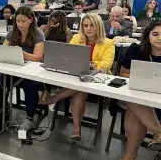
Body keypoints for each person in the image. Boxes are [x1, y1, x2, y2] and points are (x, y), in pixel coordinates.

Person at [41, 13, 115, 143]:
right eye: (85, 25)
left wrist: (89, 64)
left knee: (80, 88)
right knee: (80, 91)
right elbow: (67, 55)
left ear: (99, 26)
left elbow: (106, 64)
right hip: (76, 76)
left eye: (92, 25)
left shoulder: (108, 43)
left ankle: (54, 99)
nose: (88, 28)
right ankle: (76, 130)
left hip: (98, 79)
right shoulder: (76, 38)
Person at [0, 6, 45, 130]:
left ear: (31, 20)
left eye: (23, 21)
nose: (20, 24)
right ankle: (3, 107)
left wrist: (20, 53)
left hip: (32, 71)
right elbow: (3, 50)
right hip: (14, 67)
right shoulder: (12, 32)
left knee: (31, 86)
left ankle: (30, 118)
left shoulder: (38, 34)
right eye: (18, 21)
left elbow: (38, 58)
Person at [118, 21, 161, 160]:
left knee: (134, 111)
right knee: (135, 102)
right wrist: (143, 80)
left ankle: (130, 154)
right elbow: (123, 73)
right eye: (155, 34)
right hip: (135, 94)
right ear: (148, 35)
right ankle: (158, 132)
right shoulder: (136, 49)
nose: (160, 38)